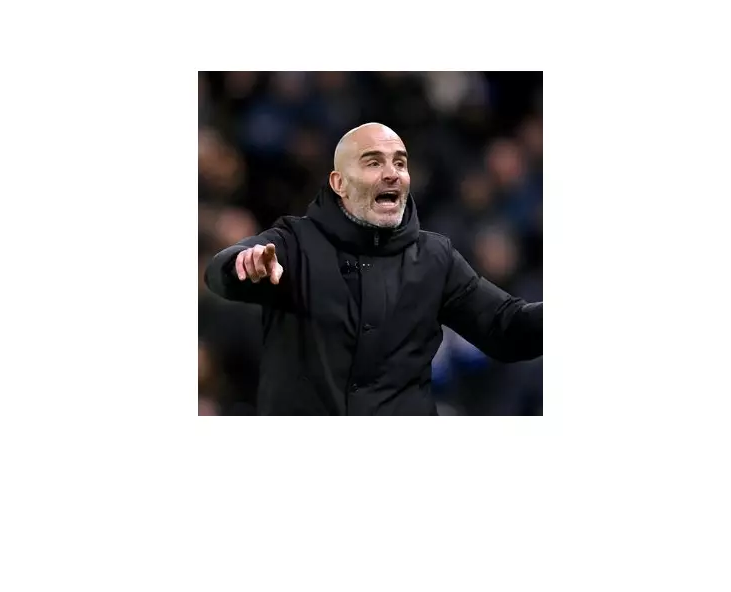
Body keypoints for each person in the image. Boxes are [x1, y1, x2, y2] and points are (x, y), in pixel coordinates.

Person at [204, 123, 542, 415]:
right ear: (339, 183)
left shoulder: (435, 257)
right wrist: (241, 265)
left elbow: (506, 327)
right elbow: (221, 272)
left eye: (400, 162)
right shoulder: (294, 242)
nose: (392, 172)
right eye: (373, 162)